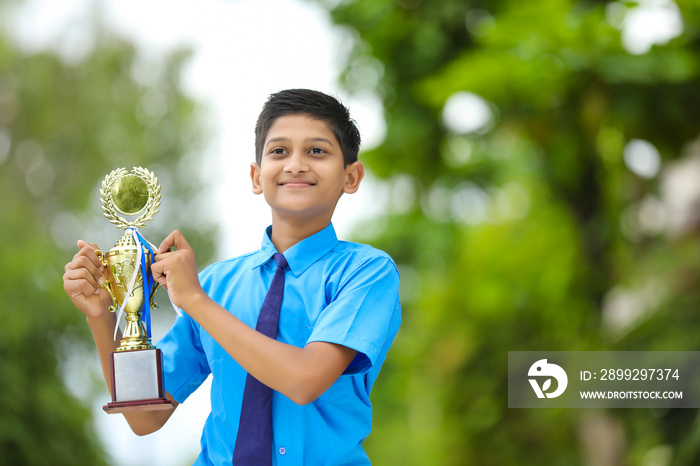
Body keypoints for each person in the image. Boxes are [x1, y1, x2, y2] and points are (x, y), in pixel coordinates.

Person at [63, 89, 402, 465]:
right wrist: (101, 314)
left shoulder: (366, 272)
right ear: (257, 177)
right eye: (278, 151)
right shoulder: (214, 285)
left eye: (317, 151)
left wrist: (194, 301)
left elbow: (305, 380)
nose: (295, 165)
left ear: (351, 177)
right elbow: (144, 416)